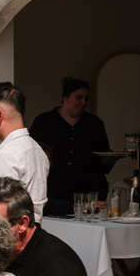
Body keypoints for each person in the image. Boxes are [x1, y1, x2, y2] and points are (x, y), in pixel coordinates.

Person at [28, 77, 116, 216]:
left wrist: (108, 161)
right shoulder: (44, 121)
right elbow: (32, 154)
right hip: (56, 189)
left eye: (86, 99)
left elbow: (102, 154)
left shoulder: (94, 123)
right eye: (78, 98)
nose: (83, 102)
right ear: (65, 98)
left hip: (89, 187)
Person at [0, 81, 48, 221]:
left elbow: (1, 210)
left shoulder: (7, 154)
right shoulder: (37, 149)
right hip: (33, 233)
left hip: (10, 237)